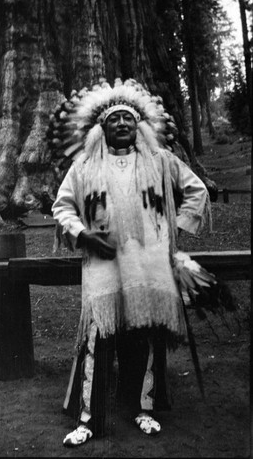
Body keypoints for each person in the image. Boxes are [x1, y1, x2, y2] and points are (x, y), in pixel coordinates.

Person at [52, 78, 211, 447]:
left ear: (138, 125)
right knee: (99, 338)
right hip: (103, 265)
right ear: (101, 128)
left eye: (128, 118)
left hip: (149, 265)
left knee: (145, 337)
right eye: (114, 120)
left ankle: (144, 408)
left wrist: (174, 231)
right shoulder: (84, 165)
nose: (122, 124)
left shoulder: (161, 161)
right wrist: (82, 234)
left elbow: (196, 191)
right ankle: (89, 418)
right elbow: (62, 207)